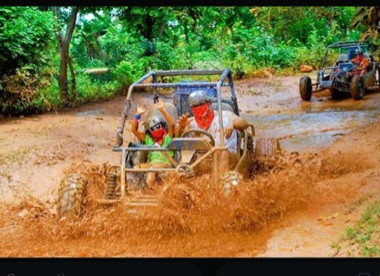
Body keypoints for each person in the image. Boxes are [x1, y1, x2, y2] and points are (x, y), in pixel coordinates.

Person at [175, 90, 249, 154]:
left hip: (226, 155)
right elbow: (176, 135)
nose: (198, 108)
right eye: (195, 106)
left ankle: (222, 171)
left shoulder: (224, 116)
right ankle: (182, 170)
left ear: (209, 103)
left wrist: (232, 124)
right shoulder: (190, 122)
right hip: (202, 158)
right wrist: (181, 127)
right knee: (188, 155)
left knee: (221, 152)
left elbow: (244, 123)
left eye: (201, 105)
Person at [131, 98, 175, 189]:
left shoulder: (168, 138)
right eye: (152, 129)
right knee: (134, 169)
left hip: (165, 164)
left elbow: (172, 125)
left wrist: (162, 110)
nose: (156, 130)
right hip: (152, 164)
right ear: (149, 132)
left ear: (162, 126)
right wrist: (138, 115)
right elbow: (134, 130)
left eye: (158, 127)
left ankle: (147, 190)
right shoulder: (149, 140)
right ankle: (131, 191)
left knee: (151, 169)